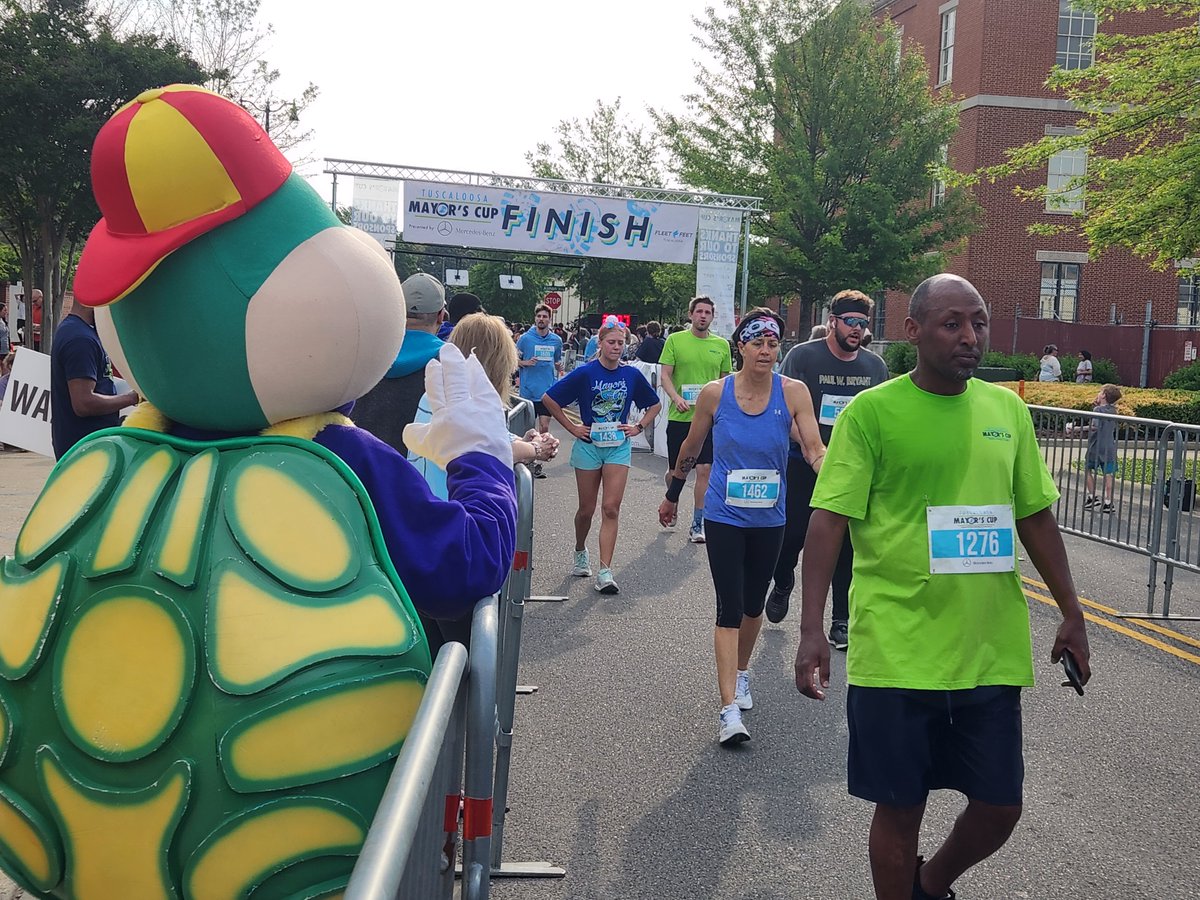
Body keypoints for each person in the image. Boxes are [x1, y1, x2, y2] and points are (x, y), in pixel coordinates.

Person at [794, 273, 1091, 900]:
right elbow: (828, 522)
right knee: (900, 811)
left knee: (999, 808)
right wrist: (812, 627)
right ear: (914, 330)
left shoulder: (1005, 409)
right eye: (953, 323)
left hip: (986, 648)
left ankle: (930, 884)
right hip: (897, 650)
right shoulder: (873, 412)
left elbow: (1034, 514)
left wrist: (1072, 610)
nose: (970, 337)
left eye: (978, 323)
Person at [658, 309, 824, 746]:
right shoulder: (716, 394)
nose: (766, 351)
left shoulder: (794, 393)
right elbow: (692, 448)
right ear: (741, 347)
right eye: (758, 343)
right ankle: (729, 709)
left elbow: (813, 446)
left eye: (773, 344)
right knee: (729, 606)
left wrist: (833, 477)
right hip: (724, 516)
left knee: (754, 606)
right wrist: (673, 493)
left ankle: (743, 672)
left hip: (770, 517)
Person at [408, 312, 559, 650]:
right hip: (457, 546)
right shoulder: (476, 401)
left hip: (426, 536)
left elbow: (480, 438)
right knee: (470, 660)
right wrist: (533, 447)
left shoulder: (440, 393)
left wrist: (526, 445)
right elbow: (483, 446)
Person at [765, 290, 890, 649]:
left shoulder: (874, 367)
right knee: (791, 537)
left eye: (864, 324)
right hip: (804, 463)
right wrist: (811, 448)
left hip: (852, 470)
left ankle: (840, 620)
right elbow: (783, 408)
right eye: (851, 322)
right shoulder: (803, 357)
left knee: (846, 545)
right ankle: (784, 579)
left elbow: (881, 419)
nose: (858, 330)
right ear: (833, 321)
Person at [542, 315, 660, 594]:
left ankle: (605, 571)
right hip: (589, 446)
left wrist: (638, 426)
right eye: (611, 342)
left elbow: (653, 404)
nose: (617, 347)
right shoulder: (586, 372)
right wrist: (572, 427)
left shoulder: (631, 374)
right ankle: (580, 549)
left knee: (611, 507)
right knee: (587, 509)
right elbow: (549, 399)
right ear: (601, 344)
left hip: (618, 445)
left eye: (621, 343)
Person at [659, 296, 733, 543]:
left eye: (707, 312)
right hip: (680, 416)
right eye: (699, 311)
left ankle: (697, 523)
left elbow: (725, 381)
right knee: (674, 471)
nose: (703, 316)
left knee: (705, 469)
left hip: (709, 420)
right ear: (690, 315)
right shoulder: (675, 340)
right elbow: (665, 375)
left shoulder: (722, 345)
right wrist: (675, 396)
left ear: (712, 317)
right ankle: (673, 497)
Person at [352, 272, 446, 456]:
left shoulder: (363, 351)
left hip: (356, 465)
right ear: (441, 315)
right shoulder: (449, 361)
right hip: (414, 472)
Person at [50, 301, 138, 459]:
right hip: (86, 452)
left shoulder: (80, 332)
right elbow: (84, 403)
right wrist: (132, 398)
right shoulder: (80, 339)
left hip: (88, 448)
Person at [516, 303, 564, 477]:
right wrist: (525, 363)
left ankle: (537, 464)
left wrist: (559, 367)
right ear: (535, 319)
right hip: (528, 391)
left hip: (546, 392)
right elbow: (513, 359)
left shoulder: (556, 340)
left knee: (544, 427)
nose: (541, 319)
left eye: (544, 317)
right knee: (529, 429)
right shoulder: (525, 339)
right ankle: (525, 460)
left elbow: (557, 361)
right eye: (539, 317)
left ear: (549, 320)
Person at [1083, 384, 1121, 513]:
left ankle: (1092, 496)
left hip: (1096, 446)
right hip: (1109, 447)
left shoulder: (1098, 410)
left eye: (1100, 392)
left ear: (1104, 395)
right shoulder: (1113, 410)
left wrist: (1076, 429)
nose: (1098, 394)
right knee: (1108, 474)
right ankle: (1108, 502)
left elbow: (1095, 426)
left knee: (1088, 469)